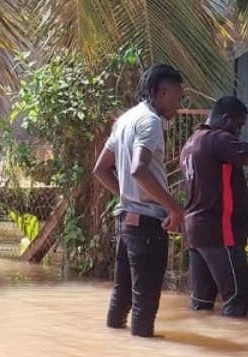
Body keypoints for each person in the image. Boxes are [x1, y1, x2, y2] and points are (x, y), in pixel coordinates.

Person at [93, 64, 184, 337]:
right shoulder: (151, 122)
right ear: (163, 93)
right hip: (146, 226)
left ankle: (118, 353)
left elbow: (100, 169)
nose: (179, 106)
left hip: (127, 222)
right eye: (178, 98)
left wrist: (128, 196)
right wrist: (174, 208)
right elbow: (139, 169)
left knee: (122, 297)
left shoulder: (125, 119)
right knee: (145, 304)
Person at [179, 96, 248, 317]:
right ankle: (231, 349)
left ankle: (201, 346)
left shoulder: (191, 142)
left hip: (196, 231)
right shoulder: (216, 139)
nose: (238, 132)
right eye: (238, 126)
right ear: (225, 119)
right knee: (239, 295)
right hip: (218, 230)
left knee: (201, 301)